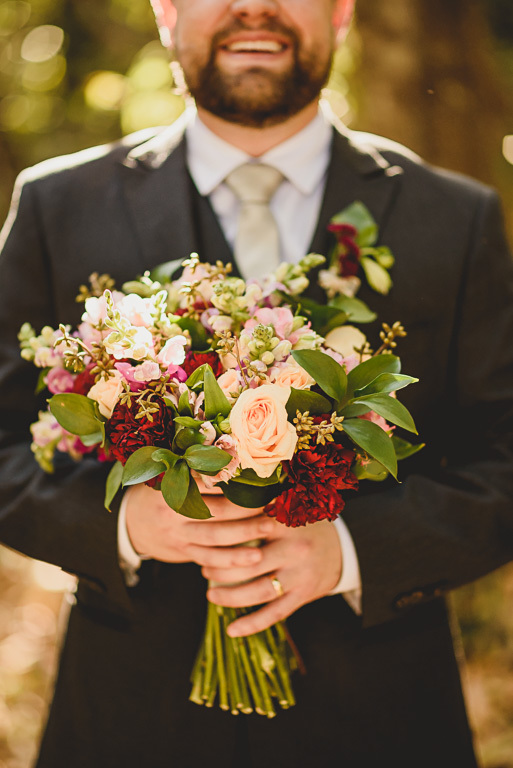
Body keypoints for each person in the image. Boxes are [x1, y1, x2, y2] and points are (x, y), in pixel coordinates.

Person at [1, 0, 513, 766]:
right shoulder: (57, 205)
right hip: (127, 718)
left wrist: (345, 550)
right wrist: (126, 527)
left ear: (341, 11)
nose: (254, 7)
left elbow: (502, 459)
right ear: (166, 10)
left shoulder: (455, 216)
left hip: (386, 721)